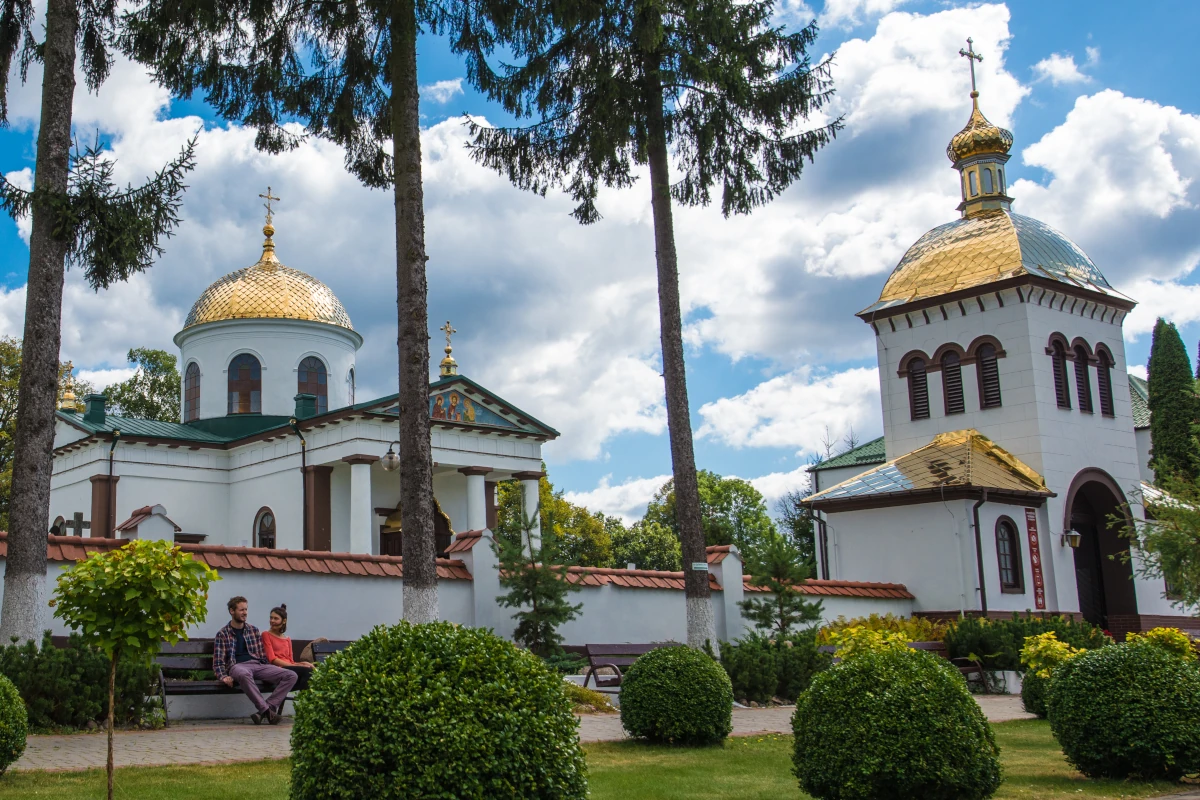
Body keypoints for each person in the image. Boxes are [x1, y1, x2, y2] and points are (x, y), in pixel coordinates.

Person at [214, 596, 297, 725]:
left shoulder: (253, 630)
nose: (245, 613)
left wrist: (270, 669)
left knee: (291, 675)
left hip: (258, 664)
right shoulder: (223, 634)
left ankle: (265, 711)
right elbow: (218, 662)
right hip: (237, 666)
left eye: (246, 609)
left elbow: (262, 655)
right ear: (232, 611)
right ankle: (267, 711)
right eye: (241, 610)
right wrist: (223, 676)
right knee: (244, 674)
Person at [262, 604, 314, 693]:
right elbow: (272, 659)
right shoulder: (266, 635)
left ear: (284, 621)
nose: (272, 621)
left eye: (276, 618)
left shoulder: (287, 639)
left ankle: (301, 696)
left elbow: (291, 661)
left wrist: (303, 663)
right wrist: (296, 666)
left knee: (311, 668)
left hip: (289, 667)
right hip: (277, 669)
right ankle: (303, 698)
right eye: (271, 618)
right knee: (307, 671)